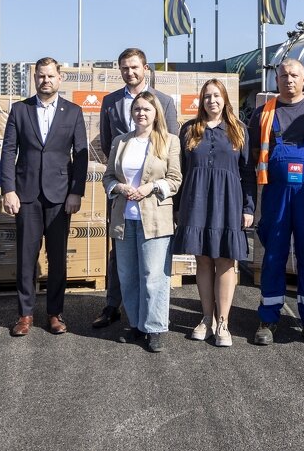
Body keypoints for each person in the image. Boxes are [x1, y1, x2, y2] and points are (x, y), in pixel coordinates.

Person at [247, 59, 304, 348]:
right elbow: (251, 159)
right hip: (276, 196)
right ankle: (268, 318)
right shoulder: (263, 113)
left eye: (294, 75)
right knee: (273, 256)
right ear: (276, 79)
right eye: (283, 75)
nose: (288, 80)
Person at [1, 57, 88, 337]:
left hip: (60, 196)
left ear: (59, 78)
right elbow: (8, 152)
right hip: (26, 195)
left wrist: (76, 191)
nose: (45, 80)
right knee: (26, 257)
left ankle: (54, 313)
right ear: (34, 78)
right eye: (40, 76)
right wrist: (9, 189)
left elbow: (81, 156)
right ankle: (25, 314)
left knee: (58, 257)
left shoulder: (73, 112)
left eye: (50, 76)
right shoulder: (20, 110)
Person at [93, 48, 179, 329]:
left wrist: (149, 184)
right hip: (123, 193)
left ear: (145, 69)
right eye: (124, 68)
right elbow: (109, 145)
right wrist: (122, 182)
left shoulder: (164, 101)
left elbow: (169, 147)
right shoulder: (111, 102)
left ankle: (150, 323)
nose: (130, 72)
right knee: (121, 258)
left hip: (152, 197)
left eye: (134, 67)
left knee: (152, 266)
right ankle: (114, 305)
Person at [173, 79, 256, 347]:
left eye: (217, 96)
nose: (212, 101)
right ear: (201, 100)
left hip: (228, 202)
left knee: (225, 260)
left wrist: (248, 208)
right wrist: (177, 207)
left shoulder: (238, 130)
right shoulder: (189, 130)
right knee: (204, 260)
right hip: (195, 202)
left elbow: (247, 173)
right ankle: (206, 318)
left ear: (225, 99)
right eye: (207, 96)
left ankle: (223, 322)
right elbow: (180, 172)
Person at [102, 92, 181, 352]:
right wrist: (120, 188)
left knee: (153, 276)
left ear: (156, 112)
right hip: (125, 218)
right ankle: (137, 324)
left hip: (155, 218)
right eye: (137, 109)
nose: (141, 113)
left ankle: (155, 327)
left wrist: (151, 188)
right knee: (128, 275)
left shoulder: (169, 141)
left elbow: (175, 180)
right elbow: (108, 177)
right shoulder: (120, 141)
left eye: (146, 109)